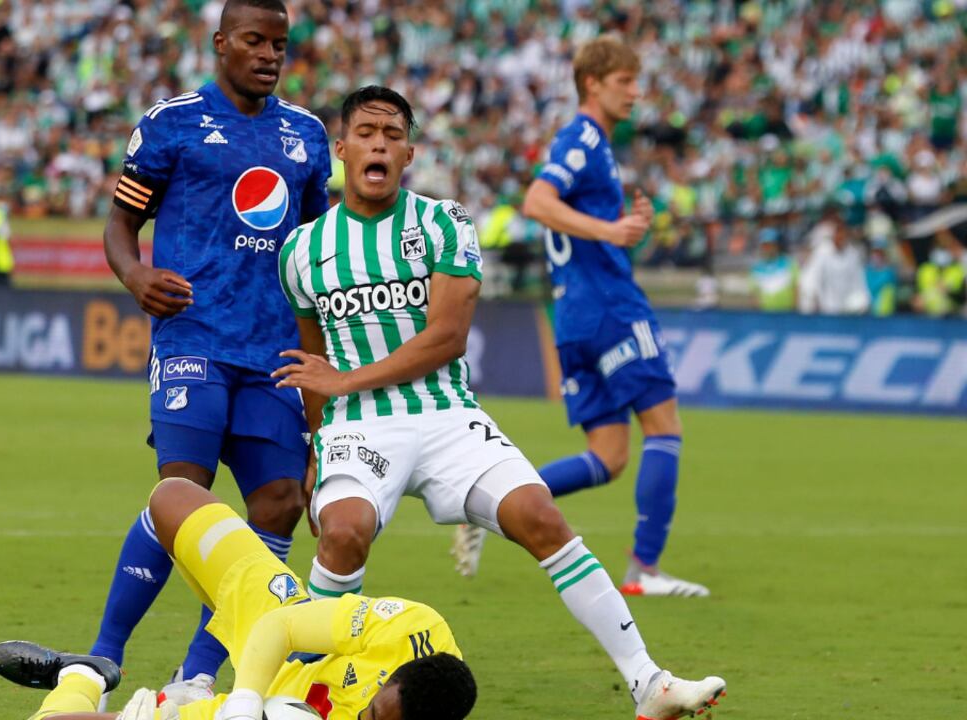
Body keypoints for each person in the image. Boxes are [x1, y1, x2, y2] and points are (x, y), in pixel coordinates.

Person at [274, 85, 725, 720]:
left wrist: (345, 380)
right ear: (341, 148)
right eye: (367, 132)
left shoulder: (443, 223)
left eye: (393, 134)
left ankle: (648, 683)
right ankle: (297, 698)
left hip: (446, 415)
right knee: (343, 534)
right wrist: (317, 449)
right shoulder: (301, 251)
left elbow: (447, 337)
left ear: (409, 152)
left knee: (541, 516)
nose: (380, 142)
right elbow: (313, 363)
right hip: (359, 428)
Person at [93, 0, 332, 703]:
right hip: (195, 337)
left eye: (280, 44)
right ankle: (105, 656)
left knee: (280, 503)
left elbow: (317, 251)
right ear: (222, 43)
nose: (269, 54)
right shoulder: (171, 124)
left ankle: (199, 671)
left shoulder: (307, 138)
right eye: (255, 41)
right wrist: (135, 274)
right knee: (184, 497)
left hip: (275, 351)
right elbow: (120, 221)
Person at [0, 478, 478, 720]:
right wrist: (244, 700)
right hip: (279, 633)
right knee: (173, 499)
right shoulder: (414, 627)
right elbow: (281, 630)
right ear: (393, 677)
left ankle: (83, 675)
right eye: (372, 712)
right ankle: (116, 653)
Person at [518, 37, 709, 597]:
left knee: (609, 454)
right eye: (626, 81)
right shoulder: (583, 136)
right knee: (664, 425)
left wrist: (624, 224)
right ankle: (645, 570)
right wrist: (611, 231)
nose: (636, 91)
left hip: (574, 312)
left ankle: (495, 503)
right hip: (608, 305)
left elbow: (571, 212)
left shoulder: (595, 144)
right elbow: (537, 202)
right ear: (594, 83)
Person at [750, 227, 797, 312]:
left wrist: (794, 311)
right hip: (766, 314)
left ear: (777, 246)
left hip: (787, 312)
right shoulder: (756, 268)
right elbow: (755, 294)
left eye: (771, 245)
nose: (768, 248)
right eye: (765, 245)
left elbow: (796, 288)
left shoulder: (789, 263)